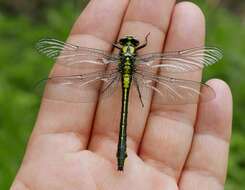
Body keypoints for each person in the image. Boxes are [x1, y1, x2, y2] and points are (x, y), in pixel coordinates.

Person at [11, 0, 232, 189]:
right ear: (134, 49)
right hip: (132, 80)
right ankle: (121, 156)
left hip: (119, 79)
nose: (128, 44)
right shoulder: (138, 55)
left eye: (129, 44)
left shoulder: (116, 56)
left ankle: (120, 156)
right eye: (129, 44)